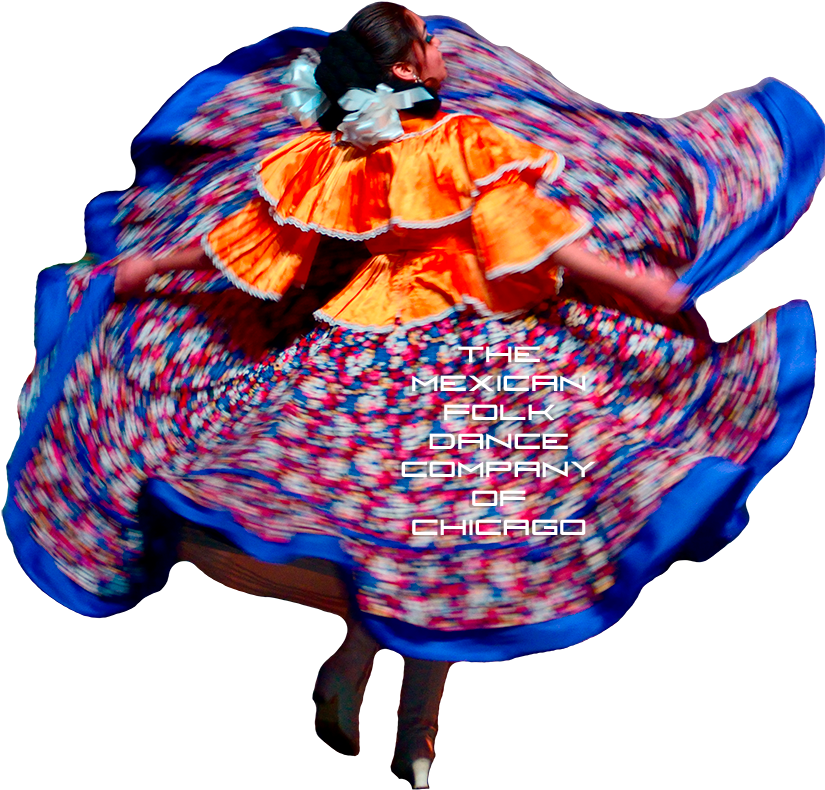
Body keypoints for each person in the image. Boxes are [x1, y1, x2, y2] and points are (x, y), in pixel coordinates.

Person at [6, 4, 820, 788]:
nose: (440, 48)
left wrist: (151, 265)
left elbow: (261, 242)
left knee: (412, 539)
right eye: (427, 40)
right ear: (402, 69)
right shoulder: (453, 145)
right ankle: (408, 733)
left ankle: (367, 689)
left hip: (365, 354)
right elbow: (525, 236)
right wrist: (637, 285)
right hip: (465, 354)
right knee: (439, 542)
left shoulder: (335, 154)